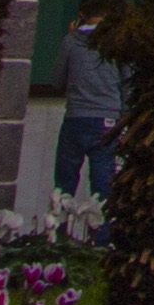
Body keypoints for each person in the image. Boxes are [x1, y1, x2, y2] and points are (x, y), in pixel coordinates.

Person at [51, 13, 126, 199]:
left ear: (81, 15)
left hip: (76, 115)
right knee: (103, 185)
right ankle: (99, 226)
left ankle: (58, 225)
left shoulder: (71, 41)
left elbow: (56, 81)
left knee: (64, 185)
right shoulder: (119, 42)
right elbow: (128, 82)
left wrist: (71, 38)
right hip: (108, 118)